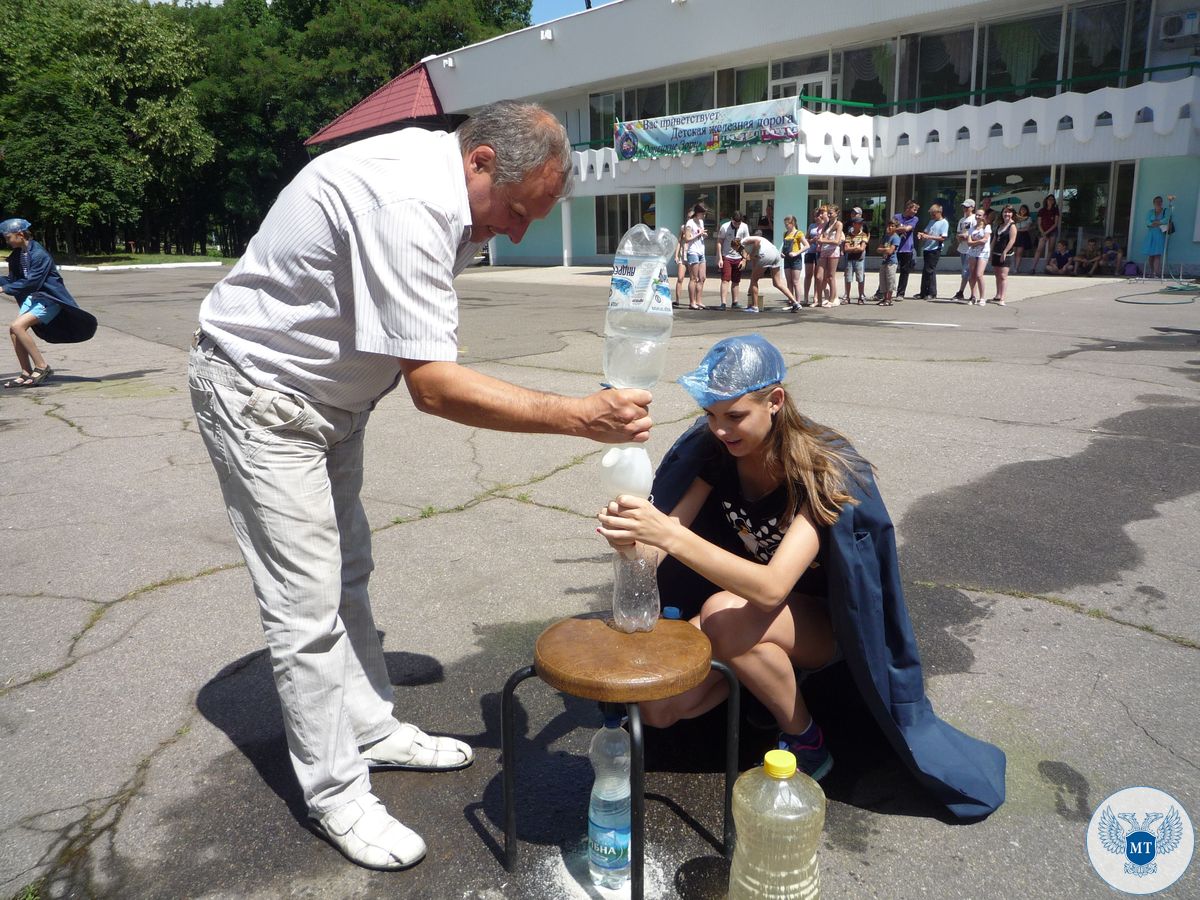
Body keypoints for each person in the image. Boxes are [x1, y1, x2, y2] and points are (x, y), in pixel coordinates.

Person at [188, 101, 654, 872]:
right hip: (260, 397)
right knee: (306, 609)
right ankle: (336, 794)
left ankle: (370, 728)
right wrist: (577, 416)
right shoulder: (410, 202)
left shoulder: (453, 195)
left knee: (349, 574)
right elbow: (434, 388)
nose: (514, 233)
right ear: (478, 163)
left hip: (329, 404)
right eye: (513, 211)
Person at [595, 336, 854, 779]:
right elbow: (663, 542)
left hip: (813, 624)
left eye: (735, 416)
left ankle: (807, 741)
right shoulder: (719, 458)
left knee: (721, 613)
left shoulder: (815, 470)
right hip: (741, 616)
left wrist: (671, 537)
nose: (720, 430)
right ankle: (759, 690)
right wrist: (631, 542)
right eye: (710, 416)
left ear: (775, 401)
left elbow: (772, 589)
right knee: (657, 708)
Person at [2, 218, 84, 388]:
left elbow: (33, 282)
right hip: (34, 297)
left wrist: (5, 289)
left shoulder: (39, 254)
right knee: (13, 331)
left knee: (18, 327)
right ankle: (26, 372)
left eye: (8, 237)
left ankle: (42, 367)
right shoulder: (18, 254)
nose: (6, 241)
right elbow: (12, 279)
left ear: (20, 234)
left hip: (49, 298)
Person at [735, 235, 799, 313]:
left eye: (736, 249)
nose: (737, 252)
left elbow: (757, 241)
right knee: (777, 283)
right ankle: (795, 303)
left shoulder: (744, 241)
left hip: (767, 254)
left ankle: (755, 307)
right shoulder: (749, 248)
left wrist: (751, 255)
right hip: (775, 254)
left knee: (754, 280)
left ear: (737, 245)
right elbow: (755, 263)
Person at [913, 203, 948, 300]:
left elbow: (942, 238)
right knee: (925, 270)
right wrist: (921, 234)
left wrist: (929, 237)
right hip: (927, 248)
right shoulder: (931, 221)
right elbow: (926, 232)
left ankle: (932, 293)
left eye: (933, 214)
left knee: (930, 270)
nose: (932, 216)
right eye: (931, 214)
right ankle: (923, 292)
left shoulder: (944, 223)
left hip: (935, 249)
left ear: (939, 212)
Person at [717, 211, 750, 310]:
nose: (737, 225)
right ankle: (723, 303)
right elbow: (719, 242)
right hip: (727, 256)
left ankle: (735, 302)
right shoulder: (724, 227)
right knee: (725, 280)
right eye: (735, 223)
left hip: (738, 257)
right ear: (732, 220)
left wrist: (744, 259)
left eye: (739, 223)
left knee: (736, 280)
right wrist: (719, 258)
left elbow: (747, 243)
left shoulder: (744, 227)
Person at [815, 205, 844, 307]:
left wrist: (823, 240)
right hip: (824, 250)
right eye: (829, 213)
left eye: (831, 213)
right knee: (819, 276)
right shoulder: (826, 224)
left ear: (836, 214)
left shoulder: (838, 224)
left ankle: (832, 300)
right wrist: (819, 239)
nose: (829, 215)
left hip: (833, 251)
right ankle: (818, 300)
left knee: (831, 276)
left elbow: (836, 241)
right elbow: (822, 236)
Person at [989, 206, 1017, 305]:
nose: (1007, 214)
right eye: (1005, 212)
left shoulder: (1012, 226)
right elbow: (994, 240)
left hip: (1006, 254)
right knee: (997, 275)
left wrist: (1005, 252)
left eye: (1009, 212)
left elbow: (1012, 240)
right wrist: (990, 252)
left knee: (1003, 276)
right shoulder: (999, 226)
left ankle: (1002, 298)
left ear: (1012, 214)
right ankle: (998, 295)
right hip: (996, 253)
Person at [893, 200, 920, 298]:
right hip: (895, 247)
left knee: (904, 272)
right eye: (914, 209)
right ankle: (881, 293)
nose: (915, 212)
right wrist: (899, 228)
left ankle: (900, 294)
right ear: (908, 208)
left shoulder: (915, 219)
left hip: (907, 249)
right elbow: (890, 229)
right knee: (889, 270)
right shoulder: (897, 217)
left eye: (917, 210)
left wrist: (899, 228)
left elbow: (907, 229)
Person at [964, 208, 991, 305]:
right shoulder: (972, 228)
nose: (977, 217)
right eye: (976, 215)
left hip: (983, 253)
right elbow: (969, 243)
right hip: (972, 253)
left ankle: (982, 297)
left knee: (979, 274)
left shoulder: (987, 227)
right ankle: (973, 296)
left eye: (980, 215)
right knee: (972, 275)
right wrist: (977, 242)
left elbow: (985, 240)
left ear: (984, 217)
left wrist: (974, 242)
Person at [683, 203, 708, 309]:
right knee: (694, 278)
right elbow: (687, 239)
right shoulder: (690, 223)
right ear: (697, 213)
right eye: (703, 213)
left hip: (701, 251)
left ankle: (699, 301)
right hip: (693, 252)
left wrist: (703, 235)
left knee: (702, 277)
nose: (704, 216)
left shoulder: (701, 222)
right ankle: (692, 302)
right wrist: (698, 234)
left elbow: (700, 234)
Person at [780, 215, 808, 308]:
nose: (786, 226)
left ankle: (798, 301)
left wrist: (796, 253)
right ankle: (791, 300)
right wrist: (782, 253)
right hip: (787, 259)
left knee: (795, 281)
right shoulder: (785, 234)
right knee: (789, 281)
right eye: (785, 224)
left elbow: (807, 245)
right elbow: (784, 246)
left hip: (796, 259)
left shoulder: (799, 233)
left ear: (793, 223)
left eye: (787, 224)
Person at [951, 199, 976, 301]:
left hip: (971, 250)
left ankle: (969, 294)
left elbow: (973, 234)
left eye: (967, 207)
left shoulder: (974, 219)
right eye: (964, 207)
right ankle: (964, 293)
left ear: (972, 207)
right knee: (966, 272)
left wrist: (966, 237)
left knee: (967, 272)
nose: (965, 209)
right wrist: (960, 237)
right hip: (962, 249)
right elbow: (958, 233)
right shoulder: (962, 220)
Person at [1028, 194, 1060, 274]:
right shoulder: (1042, 210)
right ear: (1046, 200)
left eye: (1052, 199)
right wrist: (1043, 232)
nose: (1050, 201)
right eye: (1049, 199)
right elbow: (1039, 223)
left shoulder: (1055, 210)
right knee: (1039, 249)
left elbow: (1055, 223)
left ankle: (1046, 267)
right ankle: (1033, 268)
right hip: (1043, 231)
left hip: (1052, 231)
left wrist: (1047, 232)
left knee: (1050, 249)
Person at [1142, 195, 1173, 278]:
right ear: (1153, 203)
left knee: (1157, 254)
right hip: (1151, 234)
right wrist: (1153, 223)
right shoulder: (1150, 212)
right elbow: (1147, 221)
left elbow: (1166, 219)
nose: (1158, 203)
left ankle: (1156, 273)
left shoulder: (1165, 211)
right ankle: (1151, 272)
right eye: (1156, 202)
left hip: (1159, 234)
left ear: (1162, 203)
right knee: (1151, 255)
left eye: (1160, 202)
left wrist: (1157, 222)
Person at [841, 217, 870, 304]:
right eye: (859, 223)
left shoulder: (863, 235)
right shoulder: (849, 235)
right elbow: (846, 248)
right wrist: (855, 247)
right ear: (854, 224)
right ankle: (847, 296)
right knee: (848, 278)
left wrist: (852, 248)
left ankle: (861, 296)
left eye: (861, 223)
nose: (861, 225)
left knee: (860, 278)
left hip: (859, 259)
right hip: (850, 259)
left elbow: (862, 248)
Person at [802, 207, 825, 306]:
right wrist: (811, 240)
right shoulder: (811, 226)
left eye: (818, 215)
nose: (816, 218)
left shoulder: (825, 226)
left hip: (819, 252)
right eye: (815, 216)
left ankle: (815, 296)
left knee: (817, 275)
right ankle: (806, 296)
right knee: (808, 274)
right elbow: (806, 238)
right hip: (810, 251)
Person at [876, 220, 901, 306]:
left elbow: (890, 251)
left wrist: (885, 249)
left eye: (892, 226)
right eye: (889, 225)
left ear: (896, 228)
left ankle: (889, 299)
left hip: (892, 262)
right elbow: (878, 249)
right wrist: (884, 249)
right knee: (883, 280)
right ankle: (884, 298)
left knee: (890, 280)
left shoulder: (896, 238)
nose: (890, 227)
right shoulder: (886, 237)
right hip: (884, 261)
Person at [1012, 204, 1033, 273]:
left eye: (1024, 209)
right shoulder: (1015, 218)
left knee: (1019, 253)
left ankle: (1016, 268)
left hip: (1023, 236)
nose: (1023, 211)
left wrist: (1017, 230)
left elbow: (1027, 228)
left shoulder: (1028, 218)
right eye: (1022, 209)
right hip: (1015, 235)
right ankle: (1012, 267)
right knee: (1013, 252)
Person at [673, 222, 689, 307]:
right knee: (680, 278)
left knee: (694, 279)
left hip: (692, 256)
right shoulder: (683, 227)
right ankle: (677, 300)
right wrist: (676, 255)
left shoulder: (697, 226)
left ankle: (693, 301)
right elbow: (679, 241)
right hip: (682, 256)